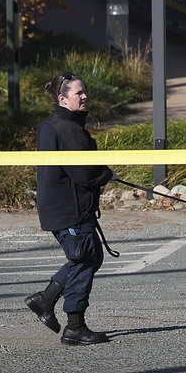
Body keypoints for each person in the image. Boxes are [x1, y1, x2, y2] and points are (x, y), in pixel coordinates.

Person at [25, 72, 120, 345]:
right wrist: (106, 175)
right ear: (62, 99)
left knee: (90, 257)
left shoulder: (54, 124)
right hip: (70, 208)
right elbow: (85, 173)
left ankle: (45, 299)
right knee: (85, 258)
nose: (84, 95)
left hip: (62, 206)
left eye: (83, 91)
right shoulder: (67, 127)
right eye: (78, 93)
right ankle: (74, 326)